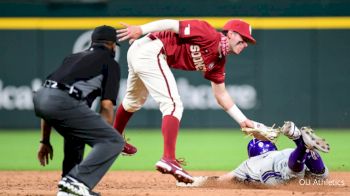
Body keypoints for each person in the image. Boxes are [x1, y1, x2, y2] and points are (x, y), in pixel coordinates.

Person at [113, 18, 257, 183]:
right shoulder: (207, 32)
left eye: (248, 42)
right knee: (173, 105)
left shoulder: (218, 60)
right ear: (230, 33)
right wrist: (141, 28)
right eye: (243, 39)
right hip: (151, 48)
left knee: (133, 101)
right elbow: (171, 24)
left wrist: (242, 120)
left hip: (142, 52)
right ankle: (168, 159)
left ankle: (114, 139)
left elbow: (221, 95)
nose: (245, 44)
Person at [33, 25, 125, 196]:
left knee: (75, 135)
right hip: (63, 100)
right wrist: (103, 135)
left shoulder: (72, 58)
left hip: (41, 97)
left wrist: (44, 141)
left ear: (93, 42)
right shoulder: (110, 63)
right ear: (112, 45)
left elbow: (50, 98)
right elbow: (106, 106)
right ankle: (77, 181)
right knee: (114, 141)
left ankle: (68, 187)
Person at [177, 121, 330, 187]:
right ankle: (300, 144)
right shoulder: (279, 152)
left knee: (292, 175)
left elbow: (219, 180)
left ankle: (301, 143)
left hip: (273, 168)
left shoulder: (249, 164)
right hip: (289, 154)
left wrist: (192, 181)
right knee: (320, 176)